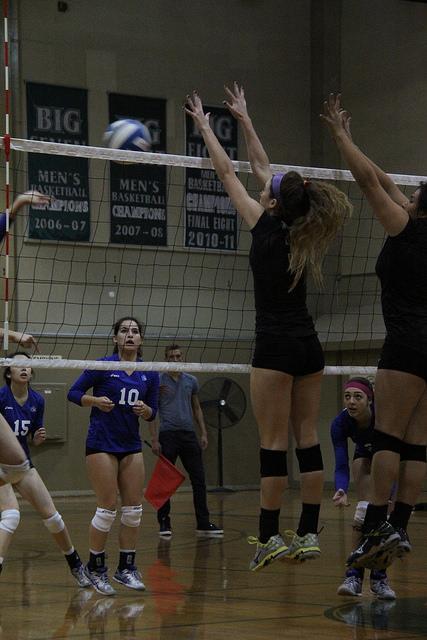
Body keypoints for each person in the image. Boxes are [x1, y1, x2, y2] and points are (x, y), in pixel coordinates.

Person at [185, 83, 352, 571]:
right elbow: (263, 168)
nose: (265, 183)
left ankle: (267, 537)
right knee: (307, 437)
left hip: (275, 346)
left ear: (275, 203)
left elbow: (227, 170)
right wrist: (245, 119)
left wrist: (204, 126)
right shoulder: (303, 231)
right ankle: (307, 534)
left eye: (270, 189)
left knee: (273, 441)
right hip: (309, 345)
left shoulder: (262, 224)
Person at [322, 93, 427, 570]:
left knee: (387, 439)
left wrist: (342, 138)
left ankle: (381, 523)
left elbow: (368, 183)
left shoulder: (405, 228)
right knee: (418, 443)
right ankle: (401, 527)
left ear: (419, 204)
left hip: (406, 345)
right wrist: (357, 142)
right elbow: (384, 178)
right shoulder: (416, 221)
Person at [67, 316, 159, 596]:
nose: (130, 335)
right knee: (107, 508)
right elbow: (73, 393)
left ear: (141, 339)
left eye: (135, 331)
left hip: (130, 444)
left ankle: (126, 568)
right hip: (102, 444)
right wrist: (94, 401)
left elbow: (154, 410)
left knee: (134, 510)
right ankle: (96, 568)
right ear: (115, 337)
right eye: (124, 331)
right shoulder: (104, 366)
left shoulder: (151, 372)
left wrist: (146, 411)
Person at [0, 352, 89, 586]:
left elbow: (31, 438)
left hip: (23, 465)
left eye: (28, 365)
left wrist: (37, 438)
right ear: (8, 372)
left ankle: (76, 564)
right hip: (1, 467)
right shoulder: (0, 397)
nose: (24, 368)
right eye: (18, 364)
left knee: (53, 518)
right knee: (11, 515)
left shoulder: (38, 400)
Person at [149, 344, 223, 537]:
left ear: (182, 358)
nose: (175, 359)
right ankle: (164, 523)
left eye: (178, 356)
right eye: (171, 356)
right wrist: (154, 439)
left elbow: (197, 408)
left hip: (189, 435)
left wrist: (203, 433)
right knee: (165, 481)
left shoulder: (191, 380)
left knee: (199, 479)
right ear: (166, 359)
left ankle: (203, 523)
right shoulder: (158, 380)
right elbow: (152, 411)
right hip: (168, 435)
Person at [331, 377, 395, 600]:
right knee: (362, 512)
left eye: (358, 397)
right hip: (363, 454)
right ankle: (354, 576)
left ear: (370, 400)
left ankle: (379, 578)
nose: (351, 402)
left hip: (388, 455)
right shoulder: (340, 423)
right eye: (347, 396)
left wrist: (393, 494)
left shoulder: (383, 418)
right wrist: (341, 489)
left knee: (384, 518)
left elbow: (397, 456)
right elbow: (340, 462)